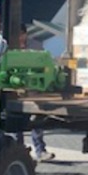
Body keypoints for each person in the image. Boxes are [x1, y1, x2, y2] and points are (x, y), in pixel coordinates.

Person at [17, 24, 55, 161]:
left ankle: (40, 150)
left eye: (21, 35)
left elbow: (46, 64)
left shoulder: (36, 46)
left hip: (34, 88)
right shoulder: (7, 47)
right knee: (17, 122)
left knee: (37, 119)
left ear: (25, 34)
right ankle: (19, 151)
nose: (20, 39)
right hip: (15, 89)